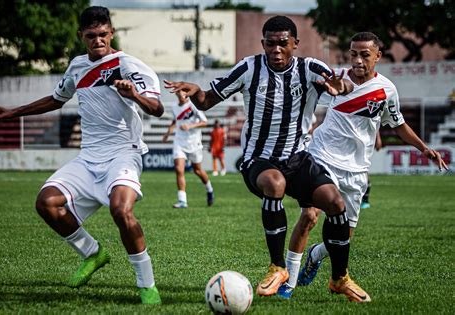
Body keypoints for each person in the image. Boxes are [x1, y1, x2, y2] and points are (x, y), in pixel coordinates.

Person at [164, 15, 370, 302]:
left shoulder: (310, 68)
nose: (276, 50)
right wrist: (196, 92)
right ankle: (277, 267)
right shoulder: (249, 68)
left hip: (298, 160)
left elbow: (339, 84)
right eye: (270, 44)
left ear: (295, 44)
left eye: (283, 44)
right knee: (274, 184)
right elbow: (208, 99)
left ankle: (339, 279)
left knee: (336, 203)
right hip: (259, 161)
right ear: (263, 43)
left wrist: (342, 87)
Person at [0, 6, 165, 304]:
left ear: (111, 33)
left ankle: (146, 284)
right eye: (90, 36)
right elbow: (56, 99)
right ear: (81, 36)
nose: (97, 40)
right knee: (47, 203)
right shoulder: (77, 66)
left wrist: (133, 94)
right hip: (89, 157)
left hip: (124, 153)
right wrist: (14, 112)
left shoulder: (127, 64)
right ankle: (92, 253)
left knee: (121, 210)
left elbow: (157, 109)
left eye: (102, 34)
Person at [283, 32, 448, 298]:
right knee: (310, 216)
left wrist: (424, 148)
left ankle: (316, 255)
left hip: (357, 170)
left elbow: (398, 125)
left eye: (365, 55)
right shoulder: (335, 77)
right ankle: (287, 284)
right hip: (322, 156)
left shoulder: (386, 90)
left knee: (343, 237)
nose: (357, 60)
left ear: (378, 56)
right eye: (353, 54)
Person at [162, 91, 214, 208]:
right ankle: (182, 201)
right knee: (179, 169)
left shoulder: (194, 105)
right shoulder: (174, 107)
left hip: (194, 142)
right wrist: (168, 132)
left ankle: (209, 189)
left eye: (183, 93)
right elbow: (176, 120)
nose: (181, 95)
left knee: (198, 171)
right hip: (179, 141)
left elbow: (204, 122)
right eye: (179, 93)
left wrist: (190, 126)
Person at [361, 131, 382, 209]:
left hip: (362, 141)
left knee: (363, 170)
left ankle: (365, 200)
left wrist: (378, 138)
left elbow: (376, 120)